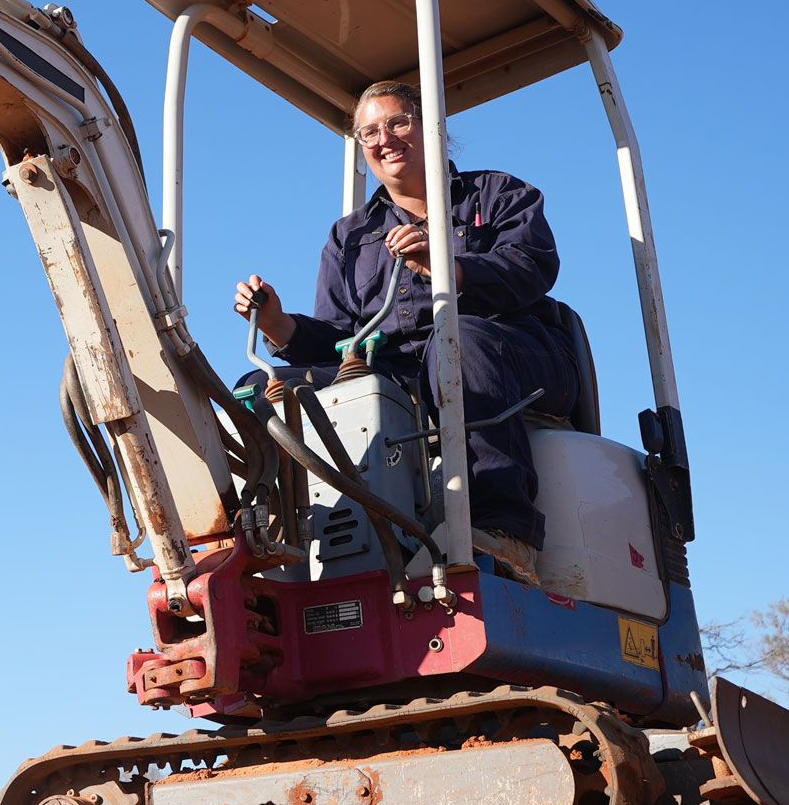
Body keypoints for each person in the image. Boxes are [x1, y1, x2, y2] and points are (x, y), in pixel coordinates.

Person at [233, 80, 578, 580]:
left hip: (513, 353)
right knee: (257, 390)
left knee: (458, 340)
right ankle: (271, 538)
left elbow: (531, 268)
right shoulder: (348, 235)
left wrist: (444, 267)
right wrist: (277, 324)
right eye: (369, 131)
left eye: (398, 123)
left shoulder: (498, 194)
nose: (384, 139)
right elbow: (338, 337)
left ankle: (506, 531)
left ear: (431, 129)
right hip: (400, 372)